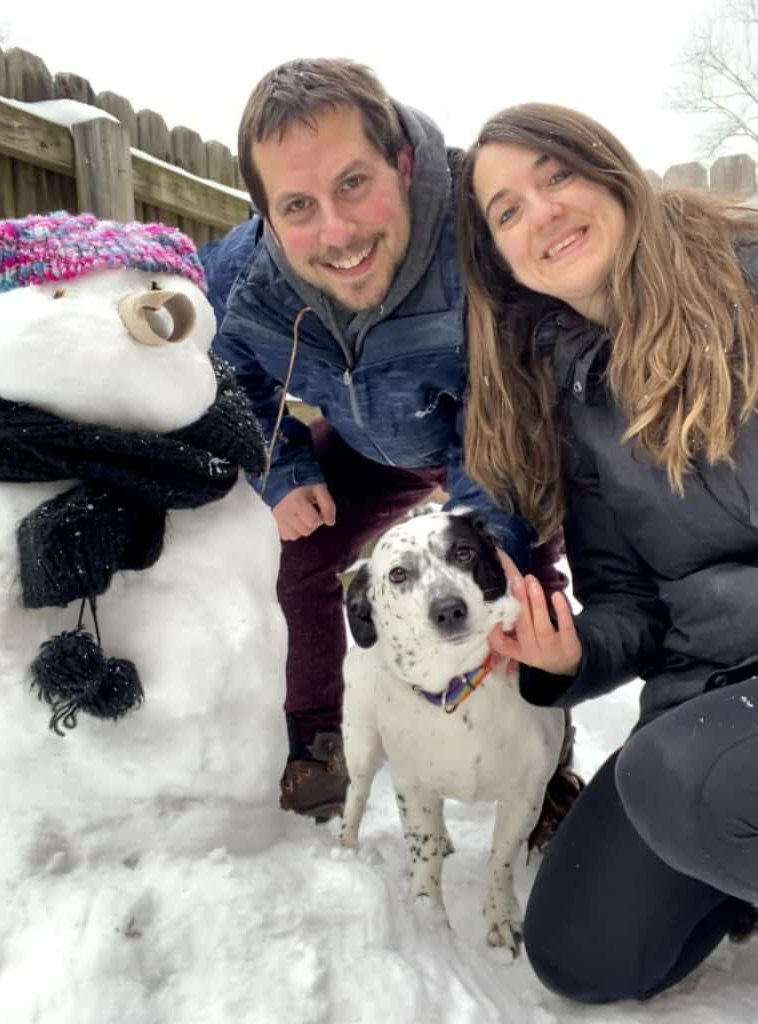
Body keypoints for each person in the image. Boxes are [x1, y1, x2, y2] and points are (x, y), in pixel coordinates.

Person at [200, 60, 570, 822]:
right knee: (299, 551)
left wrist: (489, 542)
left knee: (517, 565)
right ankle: (317, 740)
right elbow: (226, 370)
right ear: (265, 214)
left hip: (493, 434)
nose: (336, 233)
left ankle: (550, 764)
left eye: (353, 183)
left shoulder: (477, 254)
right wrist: (283, 466)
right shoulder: (243, 278)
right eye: (297, 204)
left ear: (402, 163)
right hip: (371, 441)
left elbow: (495, 421)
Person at [456, 101, 758, 1004]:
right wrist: (570, 657)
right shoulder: (580, 398)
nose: (541, 213)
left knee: (679, 782)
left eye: (558, 176)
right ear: (499, 256)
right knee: (583, 951)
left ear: (613, 172)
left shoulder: (747, 287)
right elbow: (633, 602)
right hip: (717, 692)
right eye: (507, 210)